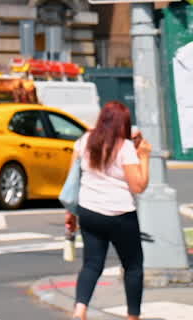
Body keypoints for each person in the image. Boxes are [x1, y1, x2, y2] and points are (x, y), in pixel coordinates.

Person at [65, 100, 151, 320]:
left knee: (92, 264)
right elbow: (138, 186)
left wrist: (70, 213)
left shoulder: (84, 141)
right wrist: (144, 157)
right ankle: (133, 317)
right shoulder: (126, 149)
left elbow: (73, 180)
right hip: (120, 215)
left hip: (89, 211)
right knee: (133, 267)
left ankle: (80, 310)